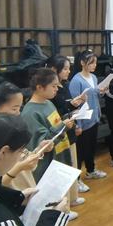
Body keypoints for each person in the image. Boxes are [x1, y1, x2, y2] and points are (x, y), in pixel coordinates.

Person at [20, 69, 75, 183]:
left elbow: (54, 124)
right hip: (47, 167)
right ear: (40, 87)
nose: (57, 89)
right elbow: (42, 144)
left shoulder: (48, 103)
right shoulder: (30, 113)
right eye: (53, 86)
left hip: (60, 156)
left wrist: (67, 120)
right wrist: (62, 126)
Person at [48, 55, 88, 200]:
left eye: (68, 68)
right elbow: (56, 112)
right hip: (60, 130)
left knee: (72, 161)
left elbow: (67, 106)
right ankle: (66, 199)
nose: (68, 71)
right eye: (65, 69)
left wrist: (76, 104)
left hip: (69, 126)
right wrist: (71, 105)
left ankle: (73, 196)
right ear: (54, 70)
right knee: (63, 164)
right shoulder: (51, 91)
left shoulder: (65, 85)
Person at [69, 51, 107, 181]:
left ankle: (91, 170)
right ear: (82, 63)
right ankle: (77, 179)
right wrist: (78, 125)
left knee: (91, 147)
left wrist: (101, 91)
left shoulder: (94, 77)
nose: (94, 65)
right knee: (80, 151)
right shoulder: (76, 80)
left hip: (94, 118)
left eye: (95, 62)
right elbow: (75, 105)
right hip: (83, 121)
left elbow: (95, 96)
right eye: (91, 63)